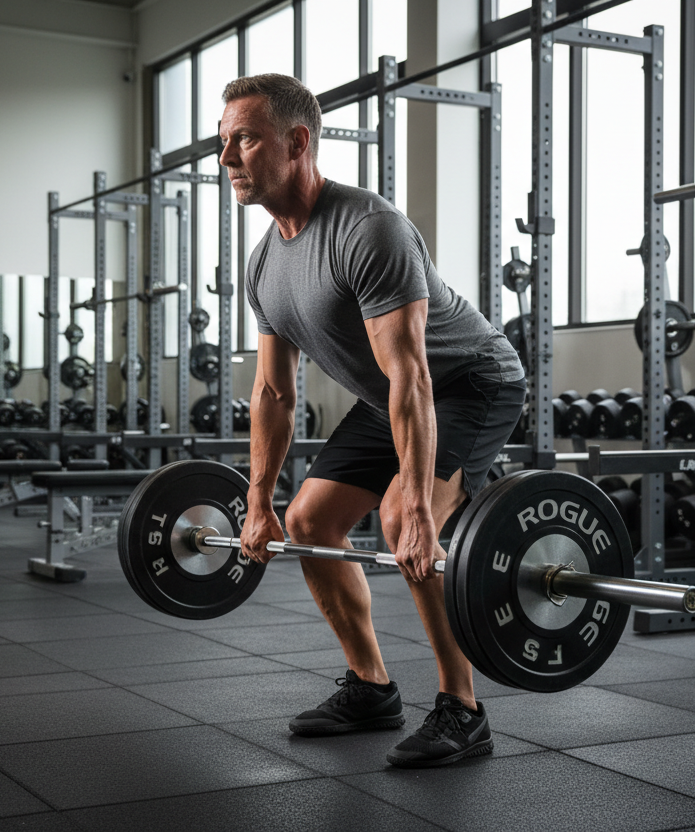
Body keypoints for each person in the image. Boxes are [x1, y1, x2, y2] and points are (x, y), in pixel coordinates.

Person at [219, 73, 526, 768]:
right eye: (223, 142)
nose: (227, 159)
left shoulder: (368, 229)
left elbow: (414, 373)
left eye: (243, 139)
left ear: (297, 142)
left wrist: (418, 508)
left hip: (470, 382)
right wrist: (256, 503)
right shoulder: (265, 262)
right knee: (306, 523)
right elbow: (272, 392)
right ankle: (371, 686)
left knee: (397, 519)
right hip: (388, 393)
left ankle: (463, 708)